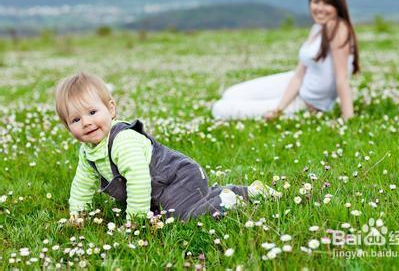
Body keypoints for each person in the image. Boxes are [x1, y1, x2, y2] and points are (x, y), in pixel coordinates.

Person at [55, 72, 280, 223]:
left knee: (182, 215)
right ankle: (239, 191)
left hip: (177, 177)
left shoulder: (122, 141)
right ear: (67, 127)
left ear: (110, 109)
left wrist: (135, 220)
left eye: (92, 112)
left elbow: (139, 180)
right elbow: (82, 184)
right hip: (159, 190)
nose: (86, 122)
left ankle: (231, 199)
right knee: (165, 213)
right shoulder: (88, 153)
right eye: (75, 120)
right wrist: (78, 214)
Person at [212, 0, 359, 121]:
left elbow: (342, 79)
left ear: (337, 6)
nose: (319, 8)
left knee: (220, 109)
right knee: (231, 93)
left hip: (306, 101)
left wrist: (348, 119)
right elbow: (299, 75)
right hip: (294, 83)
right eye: (316, 1)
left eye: (327, 3)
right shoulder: (317, 28)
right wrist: (279, 108)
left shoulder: (338, 29)